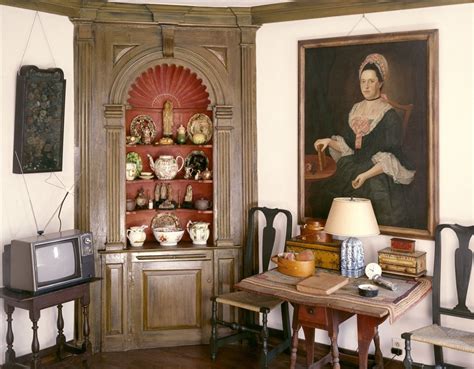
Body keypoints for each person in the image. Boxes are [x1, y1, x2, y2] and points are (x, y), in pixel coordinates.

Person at [311, 53, 415, 227]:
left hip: (376, 173)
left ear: (380, 83)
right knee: (322, 199)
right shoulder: (356, 109)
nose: (366, 87)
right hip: (351, 166)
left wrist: (365, 175)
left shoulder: (389, 116)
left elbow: (390, 158)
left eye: (371, 81)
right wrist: (329, 141)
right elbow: (349, 148)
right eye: (363, 81)